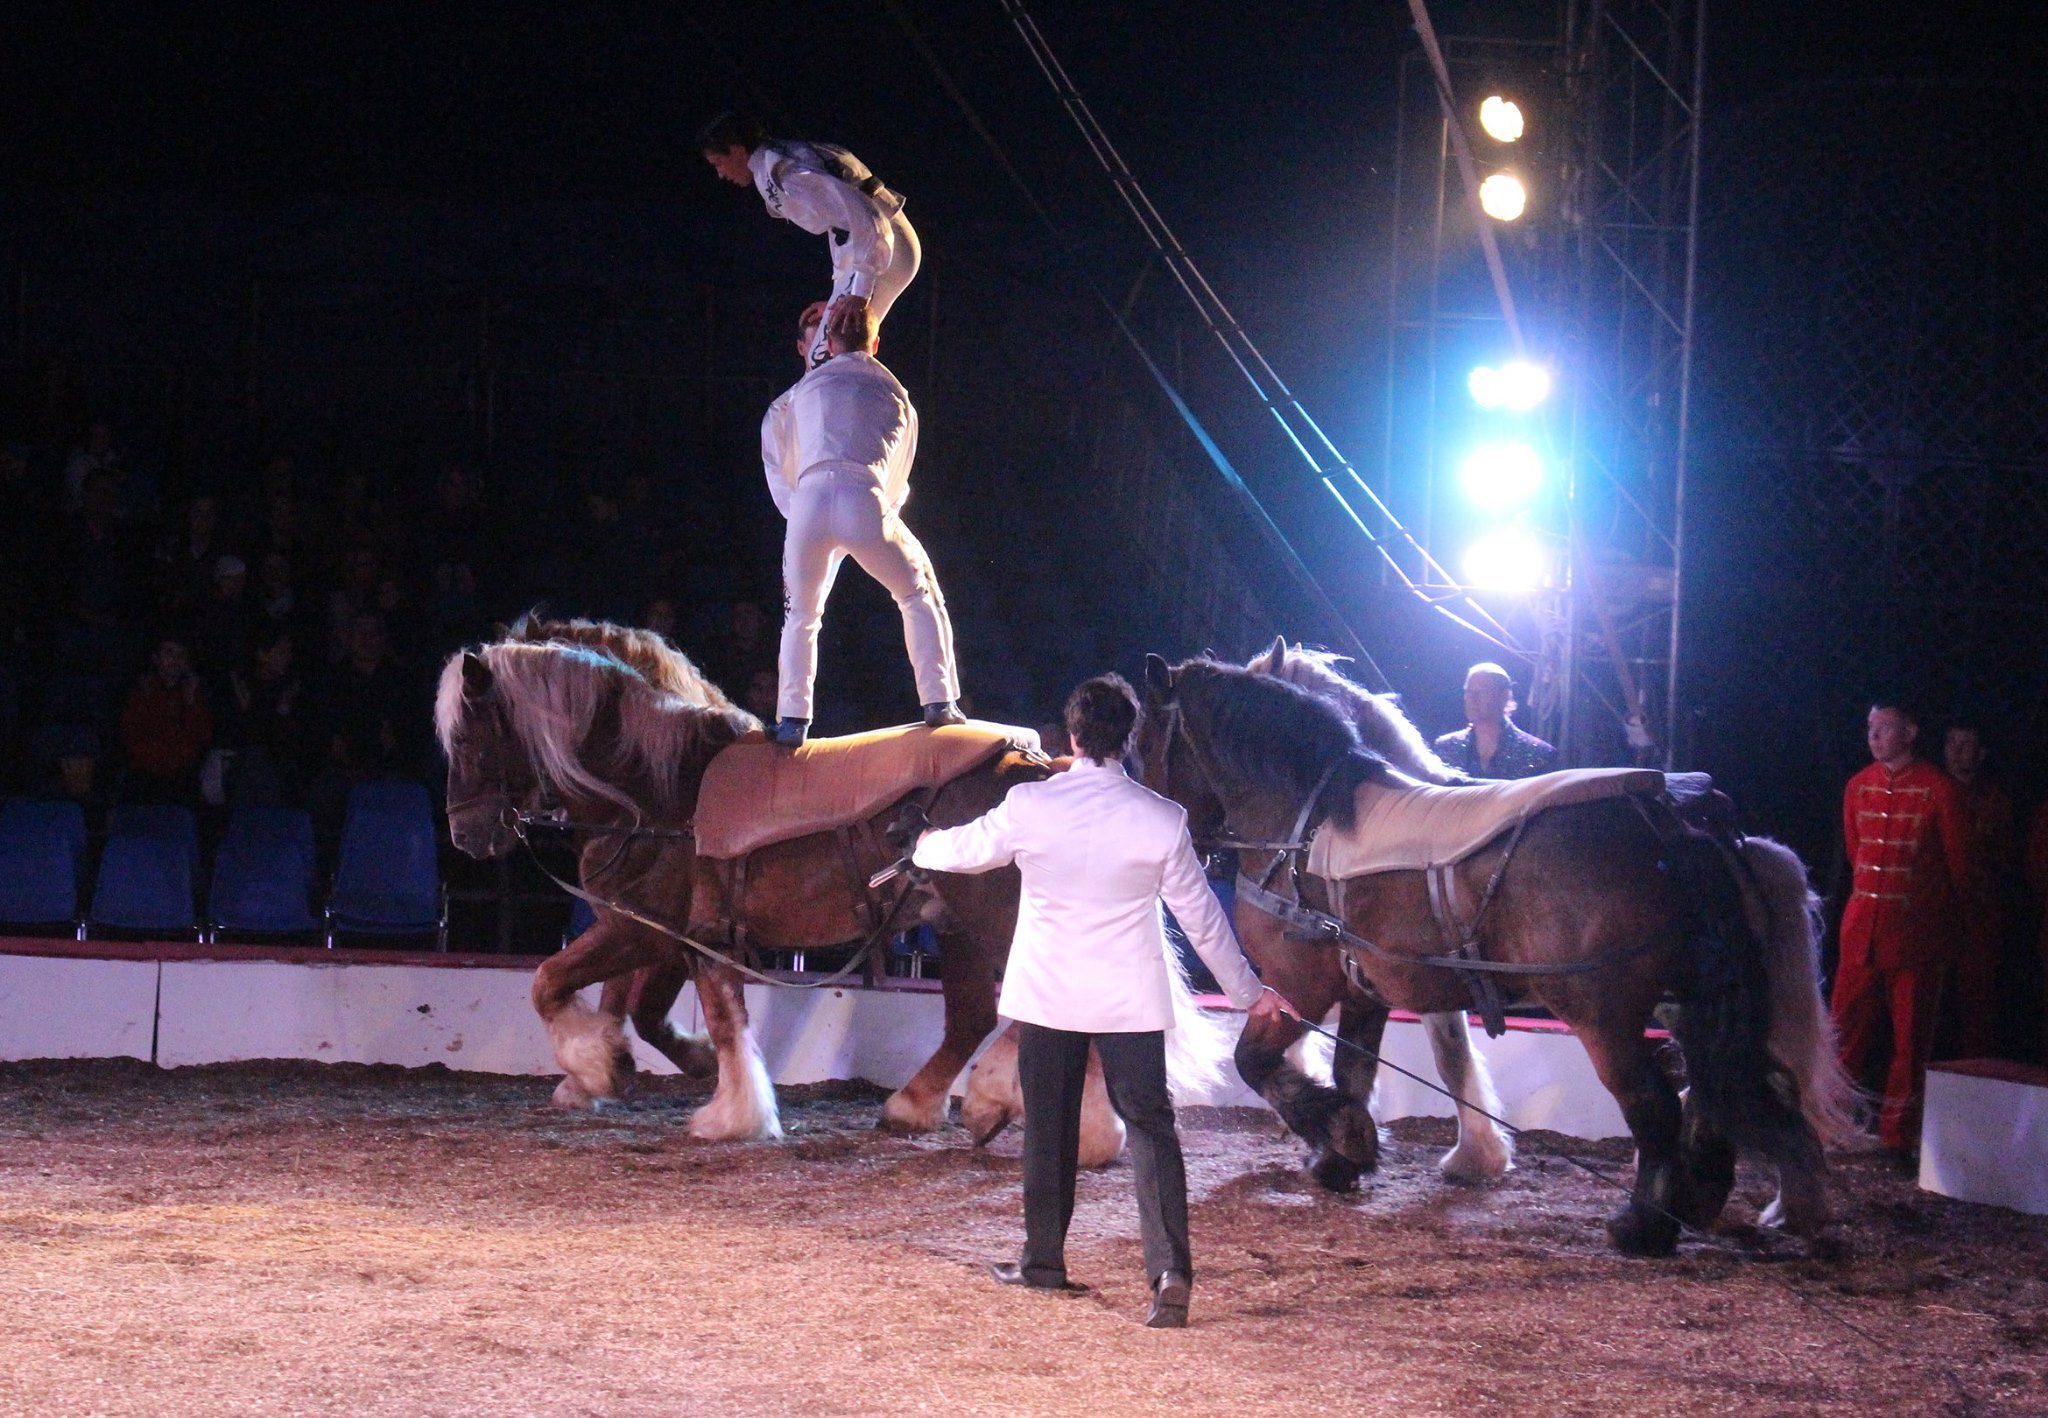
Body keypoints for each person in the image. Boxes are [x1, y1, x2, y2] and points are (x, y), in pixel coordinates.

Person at [907, 673, 1298, 1328]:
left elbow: (964, 851)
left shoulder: (1033, 806)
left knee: (1049, 1131)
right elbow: (1202, 921)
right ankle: (1170, 1273)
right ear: (1129, 737)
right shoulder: (1162, 819)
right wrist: (1250, 994)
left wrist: (917, 843)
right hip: (1129, 1004)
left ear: (1075, 736)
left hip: (1050, 998)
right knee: (1150, 1129)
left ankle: (1043, 1264)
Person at [761, 299, 960, 747]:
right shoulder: (897, 395)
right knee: (916, 590)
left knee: (801, 616)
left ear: (826, 345)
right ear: (876, 341)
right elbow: (897, 475)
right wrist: (867, 524)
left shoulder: (798, 394)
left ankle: (792, 721)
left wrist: (809, 528)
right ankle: (939, 701)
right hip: (863, 494)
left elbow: (780, 457)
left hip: (807, 504)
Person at [1833, 701, 1971, 1156]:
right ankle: (1829, 1125)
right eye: (1870, 727)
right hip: (1861, 936)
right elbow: (1857, 858)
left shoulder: (1939, 789)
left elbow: (1960, 869)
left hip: (1916, 940)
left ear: (1910, 732)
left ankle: (1898, 1137)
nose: (1873, 737)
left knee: (1910, 1045)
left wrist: (1947, 933)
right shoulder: (1858, 787)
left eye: (1884, 728)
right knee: (1844, 1033)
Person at [699, 112, 921, 369]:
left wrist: (858, 295)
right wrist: (841, 292)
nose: (721, 174)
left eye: (718, 163)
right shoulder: (783, 158)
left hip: (885, 247)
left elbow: (865, 215)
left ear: (736, 150)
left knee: (827, 359)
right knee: (830, 358)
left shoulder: (787, 171)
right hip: (879, 246)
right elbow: (842, 222)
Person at [1942, 720, 2014, 1058]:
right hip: (1935, 916)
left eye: (1965, 743)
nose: (1956, 751)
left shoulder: (1995, 802)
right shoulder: (1933, 791)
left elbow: (2004, 862)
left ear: (1981, 753)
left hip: (1978, 918)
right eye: (1951, 742)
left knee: (1977, 1005)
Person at [1431, 662, 1558, 779]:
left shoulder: (1538, 754)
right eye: (1468, 692)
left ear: (1504, 696)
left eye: (1480, 691)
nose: (1471, 698)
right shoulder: (1446, 748)